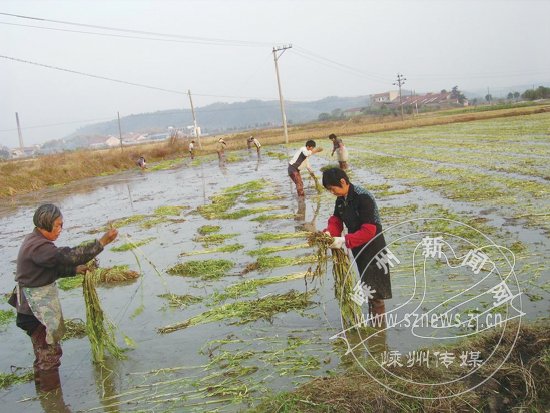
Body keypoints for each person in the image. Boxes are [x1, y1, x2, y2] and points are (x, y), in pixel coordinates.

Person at [12, 204, 118, 392]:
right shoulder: (39, 247)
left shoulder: (34, 240)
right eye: (59, 225)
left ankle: (44, 395)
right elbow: (67, 256)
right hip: (35, 310)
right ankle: (53, 399)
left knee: (42, 353)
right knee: (50, 354)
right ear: (46, 223)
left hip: (28, 308)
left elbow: (50, 266)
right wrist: (101, 243)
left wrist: (73, 271)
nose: (61, 229)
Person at [321, 167, 391, 322]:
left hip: (373, 247)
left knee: (376, 291)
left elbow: (369, 230)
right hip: (358, 246)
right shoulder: (341, 200)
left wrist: (343, 240)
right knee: (368, 286)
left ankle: (379, 333)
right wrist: (329, 233)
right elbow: (336, 220)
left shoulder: (363, 197)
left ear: (342, 181)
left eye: (332, 189)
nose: (332, 193)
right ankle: (375, 324)